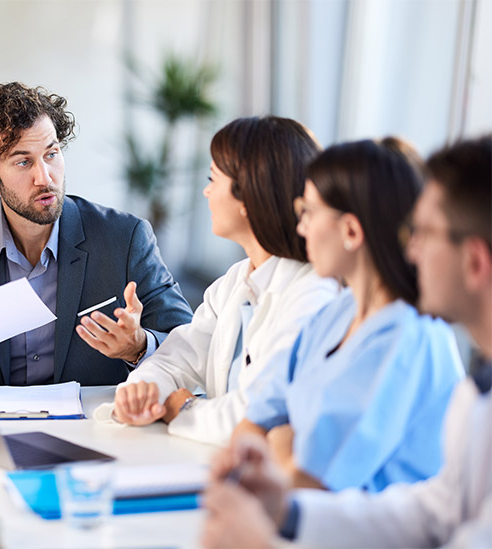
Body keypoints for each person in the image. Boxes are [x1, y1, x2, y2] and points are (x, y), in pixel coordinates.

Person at [202, 135, 492, 549]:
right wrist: (287, 508)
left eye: (424, 232)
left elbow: (315, 475)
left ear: (475, 261)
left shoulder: (410, 340)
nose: (411, 248)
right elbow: (432, 514)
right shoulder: (475, 396)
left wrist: (264, 537)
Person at [0, 82, 192, 386]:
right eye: (23, 161)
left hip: (93, 427)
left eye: (51, 154)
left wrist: (138, 346)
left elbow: (190, 347)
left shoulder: (124, 238)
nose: (44, 177)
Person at [230, 138, 464, 493]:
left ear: (351, 231)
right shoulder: (337, 313)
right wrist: (286, 440)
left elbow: (310, 484)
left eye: (308, 212)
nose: (300, 228)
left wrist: (282, 438)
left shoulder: (408, 338)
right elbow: (249, 428)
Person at [95, 116, 338, 446]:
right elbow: (174, 360)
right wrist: (141, 393)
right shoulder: (236, 281)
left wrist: (183, 409)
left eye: (213, 179)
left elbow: (257, 416)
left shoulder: (314, 293)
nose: (206, 191)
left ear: (248, 196)